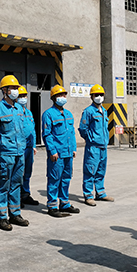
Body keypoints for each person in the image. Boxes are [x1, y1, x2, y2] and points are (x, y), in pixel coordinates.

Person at [0, 75, 29, 231]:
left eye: (17, 88)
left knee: (17, 183)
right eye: (12, 88)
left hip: (19, 153)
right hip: (6, 154)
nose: (16, 91)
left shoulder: (19, 109)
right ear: (4, 90)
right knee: (4, 185)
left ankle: (15, 214)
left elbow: (22, 130)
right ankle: (2, 217)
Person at [42, 85, 80, 218]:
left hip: (68, 152)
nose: (62, 97)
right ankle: (52, 206)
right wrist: (52, 151)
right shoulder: (48, 114)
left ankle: (64, 203)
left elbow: (72, 133)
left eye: (64, 95)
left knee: (66, 178)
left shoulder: (68, 114)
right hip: (57, 154)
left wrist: (74, 148)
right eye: (59, 95)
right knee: (54, 179)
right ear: (53, 98)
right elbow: (47, 134)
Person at [78, 84, 113, 206]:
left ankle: (100, 193)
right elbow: (83, 128)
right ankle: (88, 195)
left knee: (101, 170)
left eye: (101, 95)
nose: (99, 97)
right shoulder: (88, 111)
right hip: (93, 147)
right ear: (91, 97)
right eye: (96, 95)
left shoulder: (104, 111)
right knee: (90, 170)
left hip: (103, 146)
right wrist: (91, 139)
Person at [18, 85, 39, 208]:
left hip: (29, 147)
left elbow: (32, 130)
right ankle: (17, 197)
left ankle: (25, 194)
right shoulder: (15, 112)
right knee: (18, 173)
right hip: (19, 147)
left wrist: (34, 145)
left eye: (24, 96)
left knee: (27, 172)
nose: (23, 98)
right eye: (20, 96)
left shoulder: (29, 112)